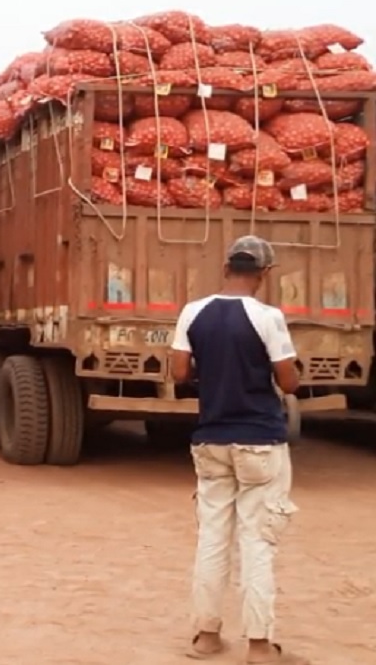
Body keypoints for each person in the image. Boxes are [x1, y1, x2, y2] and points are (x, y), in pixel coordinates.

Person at [170, 235, 305, 664]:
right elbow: (289, 382)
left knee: (212, 538)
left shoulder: (193, 312)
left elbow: (178, 371)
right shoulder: (268, 317)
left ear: (226, 268)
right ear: (263, 275)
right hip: (260, 441)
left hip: (211, 439)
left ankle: (206, 637)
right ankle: (260, 646)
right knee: (257, 541)